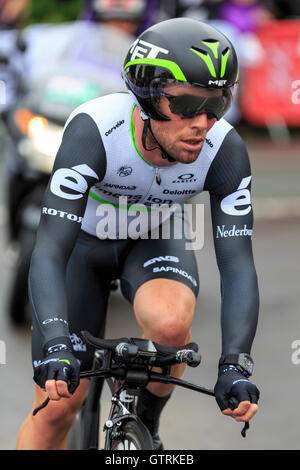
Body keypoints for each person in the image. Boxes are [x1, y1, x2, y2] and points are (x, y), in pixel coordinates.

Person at [16, 18, 260, 450]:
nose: (202, 123)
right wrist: (55, 342)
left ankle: (144, 420)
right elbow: (50, 248)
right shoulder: (95, 131)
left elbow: (237, 263)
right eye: (186, 105)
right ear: (148, 97)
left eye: (217, 104)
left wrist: (235, 365)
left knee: (170, 326)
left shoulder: (225, 150)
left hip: (152, 238)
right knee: (56, 408)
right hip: (81, 247)